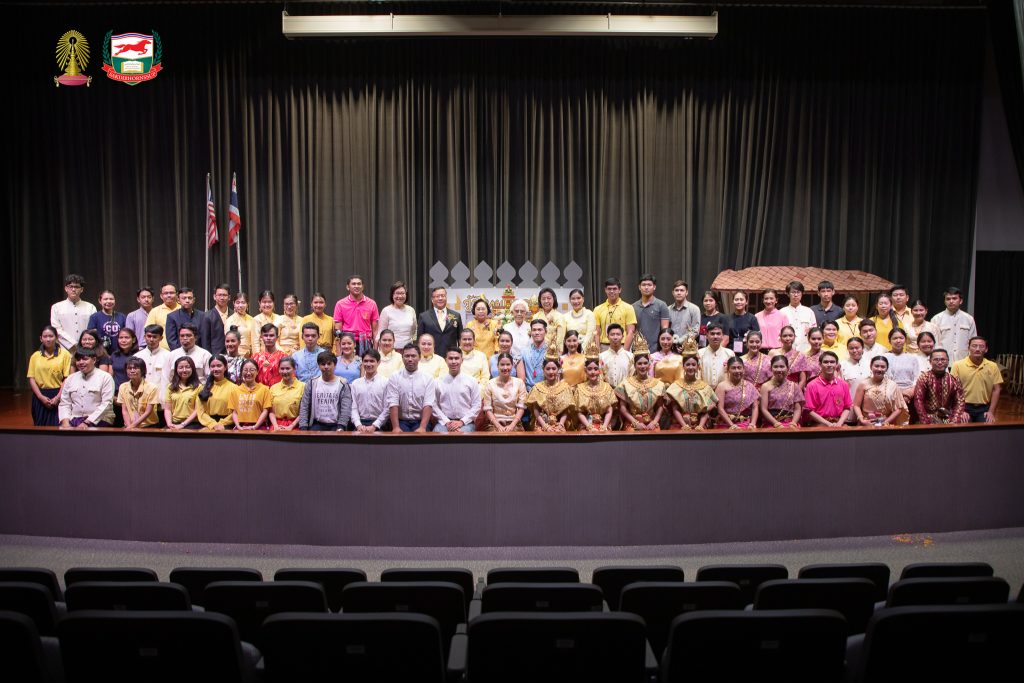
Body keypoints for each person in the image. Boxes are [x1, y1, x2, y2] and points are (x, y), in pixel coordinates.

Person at [613, 335, 664, 431]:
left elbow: (660, 406)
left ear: (649, 364)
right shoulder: (626, 384)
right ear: (634, 365)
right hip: (632, 423)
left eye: (645, 363)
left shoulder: (658, 384)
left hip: (651, 423)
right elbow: (622, 408)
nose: (643, 366)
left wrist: (654, 422)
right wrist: (635, 423)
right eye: (639, 363)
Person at [664, 340, 717, 430]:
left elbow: (706, 411)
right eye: (688, 365)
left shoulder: (704, 387)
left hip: (700, 426)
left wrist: (700, 426)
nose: (690, 367)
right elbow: (675, 409)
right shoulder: (676, 386)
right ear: (683, 366)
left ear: (697, 366)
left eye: (693, 365)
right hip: (680, 425)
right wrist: (684, 425)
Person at [27, 325, 72, 426]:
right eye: (45, 336)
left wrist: (58, 397)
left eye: (51, 336)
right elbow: (31, 378)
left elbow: (66, 378)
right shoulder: (35, 356)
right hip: (40, 396)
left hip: (58, 394)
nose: (48, 339)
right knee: (40, 427)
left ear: (56, 338)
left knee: (58, 427)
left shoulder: (65, 355)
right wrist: (41, 397)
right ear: (41, 338)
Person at [297, 351, 353, 432]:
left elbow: (346, 407)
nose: (326, 367)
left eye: (329, 364)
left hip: (336, 425)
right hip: (317, 424)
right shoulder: (312, 383)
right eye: (323, 364)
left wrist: (341, 426)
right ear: (319, 366)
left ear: (335, 365)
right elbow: (304, 406)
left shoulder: (343, 384)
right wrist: (303, 427)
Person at [58, 349, 115, 428]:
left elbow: (107, 404)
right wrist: (65, 423)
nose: (81, 362)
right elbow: (64, 403)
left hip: (100, 420)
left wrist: (87, 422)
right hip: (75, 419)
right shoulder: (70, 379)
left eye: (85, 359)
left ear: (94, 360)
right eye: (78, 360)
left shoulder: (105, 377)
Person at [951, 336, 1002, 423]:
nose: (977, 349)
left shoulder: (993, 366)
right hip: (964, 407)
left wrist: (991, 412)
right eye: (974, 346)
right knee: (962, 425)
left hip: (984, 408)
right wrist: (959, 410)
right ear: (968, 348)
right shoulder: (957, 365)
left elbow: (996, 389)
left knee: (988, 425)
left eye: (981, 346)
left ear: (986, 349)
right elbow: (953, 389)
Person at [386, 344, 437, 432]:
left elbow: (428, 404)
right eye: (407, 356)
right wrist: (396, 427)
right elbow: (393, 403)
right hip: (400, 421)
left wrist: (422, 427)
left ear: (419, 357)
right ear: (402, 358)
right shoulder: (394, 377)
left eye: (413, 356)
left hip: (421, 421)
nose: (410, 359)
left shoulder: (428, 378)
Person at [432, 348, 481, 433]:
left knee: (462, 435)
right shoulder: (437, 382)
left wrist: (462, 422)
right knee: (436, 434)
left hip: (466, 423)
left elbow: (476, 405)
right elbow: (434, 405)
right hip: (444, 423)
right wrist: (447, 422)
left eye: (457, 358)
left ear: (462, 360)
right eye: (450, 358)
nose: (453, 361)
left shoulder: (472, 381)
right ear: (446, 360)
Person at [526, 350, 577, 432]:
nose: (551, 372)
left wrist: (561, 424)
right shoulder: (537, 387)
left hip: (560, 423)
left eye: (554, 369)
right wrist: (545, 426)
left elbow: (566, 410)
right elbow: (535, 409)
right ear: (543, 370)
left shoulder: (565, 387)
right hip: (541, 424)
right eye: (548, 369)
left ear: (558, 369)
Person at [912, 349, 968, 424]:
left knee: (965, 421)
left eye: (943, 359)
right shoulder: (924, 378)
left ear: (948, 361)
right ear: (930, 362)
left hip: (948, 417)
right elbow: (918, 400)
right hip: (928, 417)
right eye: (936, 360)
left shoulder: (954, 380)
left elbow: (959, 401)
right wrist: (925, 421)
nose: (940, 362)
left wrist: (954, 420)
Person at [853, 355, 909, 426]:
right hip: (866, 423)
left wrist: (886, 422)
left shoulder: (893, 385)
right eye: (876, 366)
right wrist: (862, 420)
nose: (879, 369)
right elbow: (856, 405)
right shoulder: (863, 384)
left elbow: (899, 408)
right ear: (871, 367)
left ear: (887, 369)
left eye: (883, 367)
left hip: (886, 424)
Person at [574, 345, 618, 432]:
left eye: (595, 369)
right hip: (586, 425)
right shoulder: (580, 388)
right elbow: (579, 412)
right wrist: (589, 426)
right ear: (585, 371)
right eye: (589, 369)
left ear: (599, 371)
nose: (593, 372)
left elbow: (609, 410)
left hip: (604, 424)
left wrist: (604, 426)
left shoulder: (607, 387)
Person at [333, 275, 379, 356]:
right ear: (348, 287)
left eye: (359, 284)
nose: (356, 286)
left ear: (363, 287)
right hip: (347, 342)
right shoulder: (340, 304)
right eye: (353, 284)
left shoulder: (372, 304)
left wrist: (375, 349)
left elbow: (375, 331)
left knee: (366, 364)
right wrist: (338, 351)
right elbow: (338, 331)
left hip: (366, 342)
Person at [802, 351, 851, 427]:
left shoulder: (843, 384)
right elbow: (809, 411)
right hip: (819, 424)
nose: (829, 365)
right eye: (826, 362)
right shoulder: (812, 385)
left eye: (832, 362)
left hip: (839, 423)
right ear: (820, 364)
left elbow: (847, 407)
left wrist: (840, 423)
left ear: (837, 364)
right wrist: (828, 424)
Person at [482, 352, 528, 432]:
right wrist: (498, 426)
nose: (505, 367)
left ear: (512, 366)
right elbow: (488, 409)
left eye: (508, 364)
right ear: (497, 366)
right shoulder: (490, 384)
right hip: (495, 423)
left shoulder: (519, 383)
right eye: (502, 365)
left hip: (515, 423)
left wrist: (512, 426)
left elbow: (521, 408)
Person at [51, 274, 97, 351]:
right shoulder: (56, 307)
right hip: (64, 350)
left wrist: (84, 343)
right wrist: (73, 344)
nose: (73, 289)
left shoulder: (91, 307)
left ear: (82, 289)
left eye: (76, 287)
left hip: (86, 349)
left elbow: (93, 329)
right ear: (66, 288)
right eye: (70, 286)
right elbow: (57, 329)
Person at [931, 286, 977, 362]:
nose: (951, 301)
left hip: (964, 362)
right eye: (948, 299)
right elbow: (933, 343)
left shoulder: (969, 319)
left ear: (961, 301)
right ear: (945, 301)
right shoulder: (936, 319)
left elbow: (973, 342)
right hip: (943, 363)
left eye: (954, 298)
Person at [349, 349, 389, 433]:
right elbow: (353, 407)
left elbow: (387, 408)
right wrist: (358, 425)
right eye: (366, 361)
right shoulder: (355, 383)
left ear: (378, 362)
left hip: (380, 424)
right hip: (360, 423)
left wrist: (375, 426)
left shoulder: (386, 382)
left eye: (372, 361)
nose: (368, 364)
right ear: (362, 363)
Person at [759, 355, 804, 428]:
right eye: (775, 367)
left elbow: (797, 409)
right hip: (771, 424)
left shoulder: (794, 386)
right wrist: (776, 423)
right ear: (771, 368)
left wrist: (793, 423)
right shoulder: (765, 387)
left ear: (787, 368)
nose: (779, 370)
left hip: (791, 424)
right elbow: (763, 409)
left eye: (782, 367)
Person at [714, 357, 759, 429]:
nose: (737, 371)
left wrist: (752, 424)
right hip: (725, 425)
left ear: (743, 369)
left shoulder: (750, 386)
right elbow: (720, 409)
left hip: (746, 425)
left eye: (739, 368)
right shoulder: (722, 386)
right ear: (728, 370)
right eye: (733, 368)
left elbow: (755, 407)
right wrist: (731, 425)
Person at [593, 277, 637, 350]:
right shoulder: (597, 309)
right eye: (609, 289)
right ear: (605, 290)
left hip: (622, 346)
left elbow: (631, 332)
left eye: (614, 289)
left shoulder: (628, 308)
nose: (612, 291)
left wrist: (624, 351)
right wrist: (598, 351)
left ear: (619, 290)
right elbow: (596, 333)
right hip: (604, 346)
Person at [117, 357, 160, 429]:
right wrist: (129, 426)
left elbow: (148, 412)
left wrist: (132, 427)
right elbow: (125, 410)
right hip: (129, 426)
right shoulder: (123, 387)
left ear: (142, 370)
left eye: (135, 368)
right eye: (129, 368)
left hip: (149, 426)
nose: (132, 371)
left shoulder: (152, 387)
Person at [418, 286, 462, 356]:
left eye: (443, 296)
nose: (440, 298)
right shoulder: (424, 316)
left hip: (451, 356)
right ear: (432, 299)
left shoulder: (456, 315)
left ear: (446, 298)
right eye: (437, 296)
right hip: (431, 356)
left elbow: (460, 338)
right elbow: (420, 339)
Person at [229, 358, 272, 430]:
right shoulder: (235, 390)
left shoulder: (265, 389)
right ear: (241, 372)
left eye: (252, 370)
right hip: (240, 427)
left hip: (259, 427)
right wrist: (238, 426)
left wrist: (254, 427)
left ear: (257, 371)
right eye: (245, 370)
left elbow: (265, 411)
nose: (248, 373)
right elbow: (234, 412)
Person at [134, 324, 171, 405]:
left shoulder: (168, 356)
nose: (151, 339)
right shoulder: (137, 356)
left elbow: (169, 380)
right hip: (141, 399)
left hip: (161, 399)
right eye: (149, 336)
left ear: (161, 338)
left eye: (154, 337)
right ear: (144, 337)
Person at [632, 274, 670, 352]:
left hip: (656, 350)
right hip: (637, 349)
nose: (646, 287)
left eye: (649, 285)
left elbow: (665, 329)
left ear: (654, 287)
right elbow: (631, 331)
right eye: (643, 285)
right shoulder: (633, 307)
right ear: (639, 287)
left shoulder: (662, 305)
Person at [196, 355, 235, 430]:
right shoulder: (203, 388)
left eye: (219, 366)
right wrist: (212, 424)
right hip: (208, 424)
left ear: (225, 367)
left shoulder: (234, 388)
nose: (215, 369)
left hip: (227, 425)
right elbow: (201, 411)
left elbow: (236, 412)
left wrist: (221, 424)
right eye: (212, 366)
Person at [163, 356, 202, 430]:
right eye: (181, 367)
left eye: (187, 367)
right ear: (176, 370)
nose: (184, 370)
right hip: (174, 423)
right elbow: (167, 409)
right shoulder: (170, 387)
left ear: (192, 369)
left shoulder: (199, 387)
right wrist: (169, 424)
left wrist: (182, 425)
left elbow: (197, 410)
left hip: (192, 424)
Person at [884, 328, 920, 404]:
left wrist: (909, 393)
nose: (898, 341)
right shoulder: (884, 357)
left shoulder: (912, 358)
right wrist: (899, 393)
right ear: (889, 341)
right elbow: (884, 379)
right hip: (890, 394)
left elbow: (917, 378)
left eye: (901, 338)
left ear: (905, 340)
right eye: (895, 338)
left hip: (910, 395)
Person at [377, 281, 417, 349]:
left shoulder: (411, 310)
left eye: (402, 293)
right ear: (392, 295)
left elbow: (414, 330)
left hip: (408, 350)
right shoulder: (386, 311)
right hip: (390, 350)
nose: (400, 296)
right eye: (397, 293)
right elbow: (381, 333)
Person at [268, 357, 304, 431]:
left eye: (288, 368)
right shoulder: (273, 388)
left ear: (294, 369)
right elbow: (271, 411)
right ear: (278, 370)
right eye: (282, 369)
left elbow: (304, 411)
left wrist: (291, 426)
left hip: (295, 426)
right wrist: (275, 426)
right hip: (276, 426)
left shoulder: (303, 387)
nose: (285, 371)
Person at [781, 281, 817, 352]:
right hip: (787, 350)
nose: (796, 295)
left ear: (802, 294)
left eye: (798, 292)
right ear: (788, 294)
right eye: (793, 292)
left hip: (806, 349)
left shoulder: (809, 312)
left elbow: (814, 332)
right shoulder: (782, 312)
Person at [165, 287, 204, 351]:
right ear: (178, 300)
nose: (187, 301)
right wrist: (181, 353)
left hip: (199, 352)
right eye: (184, 298)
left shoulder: (202, 315)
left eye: (190, 298)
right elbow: (172, 341)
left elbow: (204, 338)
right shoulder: (172, 317)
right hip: (180, 353)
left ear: (194, 300)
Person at [697, 323, 734, 389]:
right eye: (712, 334)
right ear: (707, 336)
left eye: (718, 334)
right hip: (704, 391)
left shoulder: (729, 354)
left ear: (722, 336)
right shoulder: (700, 353)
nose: (715, 337)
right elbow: (697, 375)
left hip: (725, 392)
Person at [144, 282, 180, 351]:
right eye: (166, 293)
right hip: (160, 352)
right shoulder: (155, 311)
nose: (169, 295)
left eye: (171, 293)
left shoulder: (182, 310)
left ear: (177, 294)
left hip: (181, 351)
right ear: (161, 296)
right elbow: (148, 331)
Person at [533, 287, 568, 352]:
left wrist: (558, 352)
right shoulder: (535, 316)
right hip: (536, 351)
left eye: (549, 298)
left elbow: (560, 339)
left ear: (554, 299)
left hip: (553, 352)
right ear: (540, 301)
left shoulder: (560, 317)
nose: (546, 301)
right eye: (543, 299)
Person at [598, 323, 633, 389]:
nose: (615, 337)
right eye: (612, 334)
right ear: (607, 336)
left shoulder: (630, 357)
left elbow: (632, 378)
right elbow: (600, 379)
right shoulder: (601, 357)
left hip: (626, 392)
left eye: (618, 334)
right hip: (607, 392)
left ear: (623, 336)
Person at [251, 323, 286, 387]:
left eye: (271, 335)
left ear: (277, 338)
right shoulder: (255, 358)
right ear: (261, 337)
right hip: (260, 391)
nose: (268, 338)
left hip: (278, 391)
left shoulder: (283, 357)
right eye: (265, 335)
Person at [840, 337, 871, 406]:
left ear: (863, 348)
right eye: (851, 348)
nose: (854, 350)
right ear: (848, 350)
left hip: (869, 404)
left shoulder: (870, 363)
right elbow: (840, 388)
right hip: (851, 404)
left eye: (857, 348)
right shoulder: (842, 365)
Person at [200, 284, 230, 355]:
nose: (222, 298)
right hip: (215, 355)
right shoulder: (207, 316)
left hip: (232, 355)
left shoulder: (233, 315)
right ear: (214, 297)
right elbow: (205, 341)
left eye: (224, 295)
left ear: (229, 297)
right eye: (219, 295)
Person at [250, 290, 282, 355]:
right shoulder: (256, 319)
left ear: (273, 303)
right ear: (259, 303)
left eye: (269, 302)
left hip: (279, 353)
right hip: (263, 354)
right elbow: (255, 342)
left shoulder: (279, 318)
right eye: (264, 302)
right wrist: (258, 357)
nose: (267, 305)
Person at [109, 328, 139, 397]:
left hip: (134, 392)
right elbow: (110, 376)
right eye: (121, 338)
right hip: (116, 392)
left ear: (133, 340)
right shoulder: (114, 355)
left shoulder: (138, 355)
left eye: (127, 337)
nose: (123, 340)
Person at [522, 319, 550, 391]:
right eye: (534, 330)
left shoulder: (551, 351)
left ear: (545, 331)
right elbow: (521, 378)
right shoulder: (524, 351)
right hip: (528, 391)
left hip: (546, 390)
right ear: (531, 332)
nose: (537, 332)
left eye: (540, 330)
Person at [225, 292, 254, 357]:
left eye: (243, 303)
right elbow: (228, 341)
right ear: (234, 304)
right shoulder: (229, 321)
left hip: (251, 355)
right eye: (237, 303)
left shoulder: (252, 320)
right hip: (236, 354)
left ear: (247, 304)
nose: (240, 305)